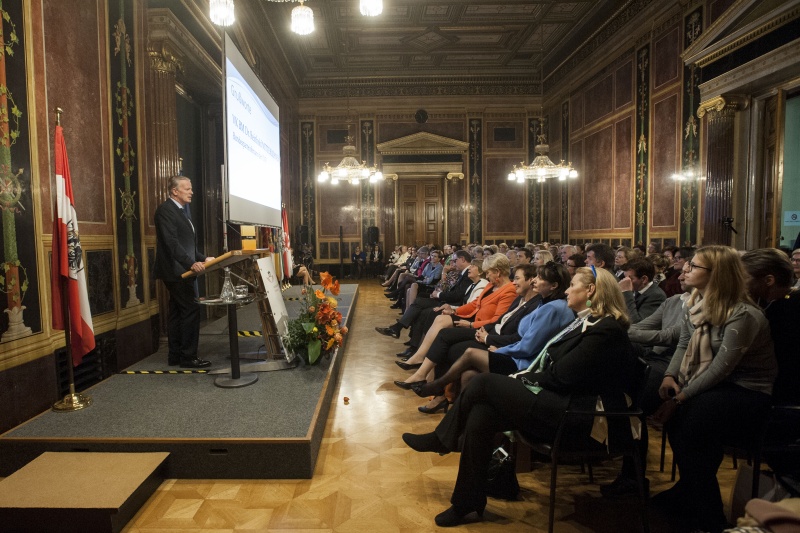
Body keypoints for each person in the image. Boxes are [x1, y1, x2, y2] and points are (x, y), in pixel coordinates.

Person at [401, 266, 635, 527]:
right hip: (562, 402)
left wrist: (521, 378)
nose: (567, 289)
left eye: (573, 285)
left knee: (484, 382)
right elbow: (557, 369)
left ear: (590, 290)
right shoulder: (585, 321)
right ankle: (467, 501)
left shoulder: (606, 329)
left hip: (582, 417)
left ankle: (442, 438)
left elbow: (562, 376)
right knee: (482, 415)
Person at [653, 246, 777, 533]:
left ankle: (708, 515)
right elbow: (684, 343)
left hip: (748, 390)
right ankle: (690, 493)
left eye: (695, 266)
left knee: (693, 418)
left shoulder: (743, 313)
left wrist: (681, 397)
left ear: (716, 274)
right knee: (681, 419)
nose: (686, 269)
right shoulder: (697, 303)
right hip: (716, 386)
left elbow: (722, 366)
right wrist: (669, 376)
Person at [154, 176, 214, 368]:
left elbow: (188, 245)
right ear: (174, 191)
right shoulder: (165, 211)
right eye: (187, 189)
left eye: (191, 188)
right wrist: (190, 264)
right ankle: (188, 357)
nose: (191, 192)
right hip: (176, 271)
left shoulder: (180, 211)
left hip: (182, 269)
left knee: (177, 312)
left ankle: (176, 355)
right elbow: (171, 243)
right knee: (190, 310)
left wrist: (203, 258)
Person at [618, 258, 667, 323]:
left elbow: (637, 323)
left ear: (644, 279)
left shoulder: (656, 296)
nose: (625, 281)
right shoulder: (636, 289)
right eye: (625, 277)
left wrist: (627, 292)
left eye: (630, 278)